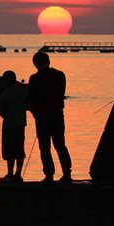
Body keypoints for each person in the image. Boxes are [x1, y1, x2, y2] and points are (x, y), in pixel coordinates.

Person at [28, 52, 72, 183]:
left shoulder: (34, 78)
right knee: (60, 145)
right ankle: (67, 174)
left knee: (44, 147)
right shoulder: (60, 75)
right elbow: (61, 93)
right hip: (57, 115)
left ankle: (49, 176)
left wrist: (35, 113)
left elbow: (31, 99)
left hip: (42, 118)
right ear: (48, 61)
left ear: (35, 64)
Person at [0, 70, 27, 182]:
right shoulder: (23, 92)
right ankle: (18, 175)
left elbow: (1, 111)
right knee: (19, 149)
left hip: (9, 126)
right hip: (20, 125)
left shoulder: (5, 94)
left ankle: (10, 174)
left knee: (9, 150)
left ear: (6, 80)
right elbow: (28, 106)